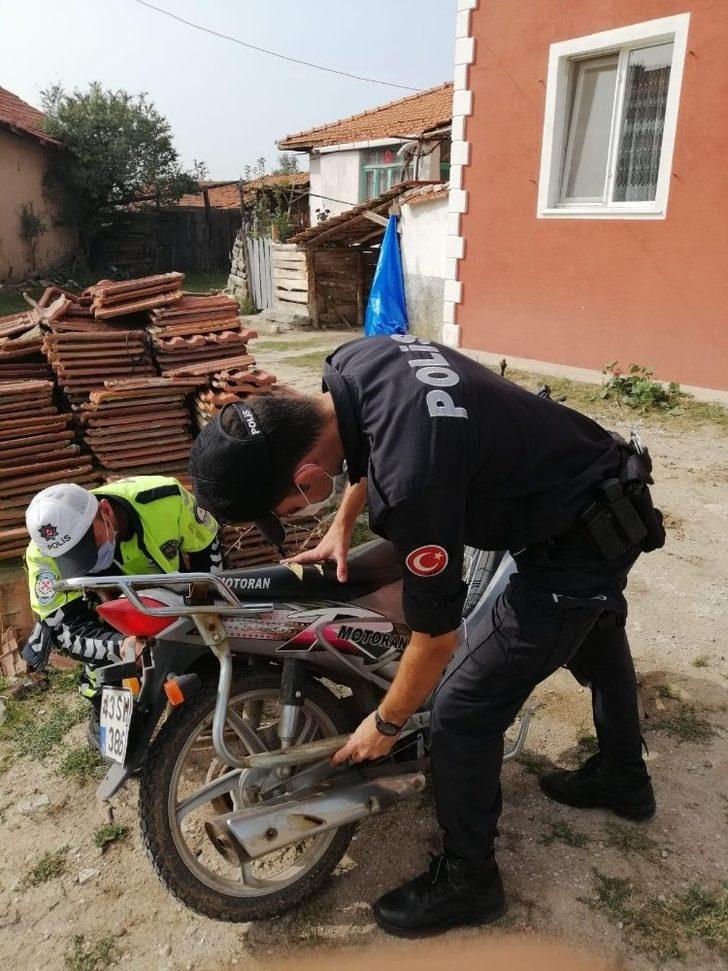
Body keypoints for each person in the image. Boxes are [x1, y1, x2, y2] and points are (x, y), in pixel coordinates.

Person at [189, 334, 664, 937]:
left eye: (283, 508)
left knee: (463, 707)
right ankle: (625, 778)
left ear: (306, 479)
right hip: (582, 474)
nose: (287, 517)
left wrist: (384, 725)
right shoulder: (356, 361)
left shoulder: (414, 489)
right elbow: (369, 443)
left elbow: (436, 639)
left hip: (578, 536)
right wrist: (342, 524)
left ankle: (471, 880)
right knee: (596, 631)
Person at [24, 475, 221, 749]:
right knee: (105, 671)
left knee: (208, 663)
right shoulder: (42, 554)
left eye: (89, 542)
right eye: (73, 556)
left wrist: (204, 611)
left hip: (168, 594)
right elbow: (67, 628)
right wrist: (120, 647)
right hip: (101, 612)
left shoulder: (166, 500)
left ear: (105, 511)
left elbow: (207, 553)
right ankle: (105, 703)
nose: (88, 561)